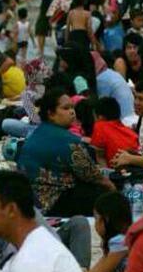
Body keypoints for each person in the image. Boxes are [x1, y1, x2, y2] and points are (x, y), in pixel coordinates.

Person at [17, 88, 114, 216]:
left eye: (72, 107)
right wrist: (110, 186)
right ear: (51, 114)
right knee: (105, 195)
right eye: (66, 108)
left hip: (30, 199)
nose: (72, 112)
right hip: (53, 202)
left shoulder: (38, 132)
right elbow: (91, 174)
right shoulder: (69, 141)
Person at [89, 97, 139, 166]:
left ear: (100, 117)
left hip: (117, 167)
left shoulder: (100, 126)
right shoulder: (128, 130)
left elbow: (100, 157)